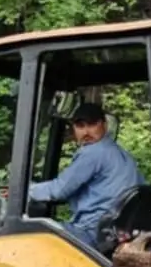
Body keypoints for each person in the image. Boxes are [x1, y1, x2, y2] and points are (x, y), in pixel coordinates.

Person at [27, 101, 141, 247]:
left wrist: (24, 191)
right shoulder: (123, 155)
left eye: (92, 125)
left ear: (104, 125)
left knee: (28, 236)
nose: (86, 132)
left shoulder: (94, 152)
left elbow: (60, 190)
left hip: (92, 232)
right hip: (117, 232)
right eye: (80, 126)